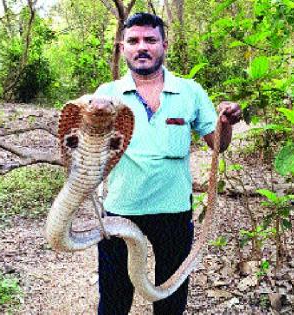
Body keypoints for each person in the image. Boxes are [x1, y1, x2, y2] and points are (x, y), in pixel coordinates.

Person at [92, 12, 242, 315]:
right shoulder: (107, 94)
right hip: (120, 212)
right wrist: (96, 117)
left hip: (173, 213)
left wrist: (225, 122)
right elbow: (90, 149)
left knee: (171, 301)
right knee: (114, 298)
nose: (141, 47)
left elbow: (218, 146)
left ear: (165, 45)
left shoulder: (190, 91)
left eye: (150, 39)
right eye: (133, 41)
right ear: (122, 48)